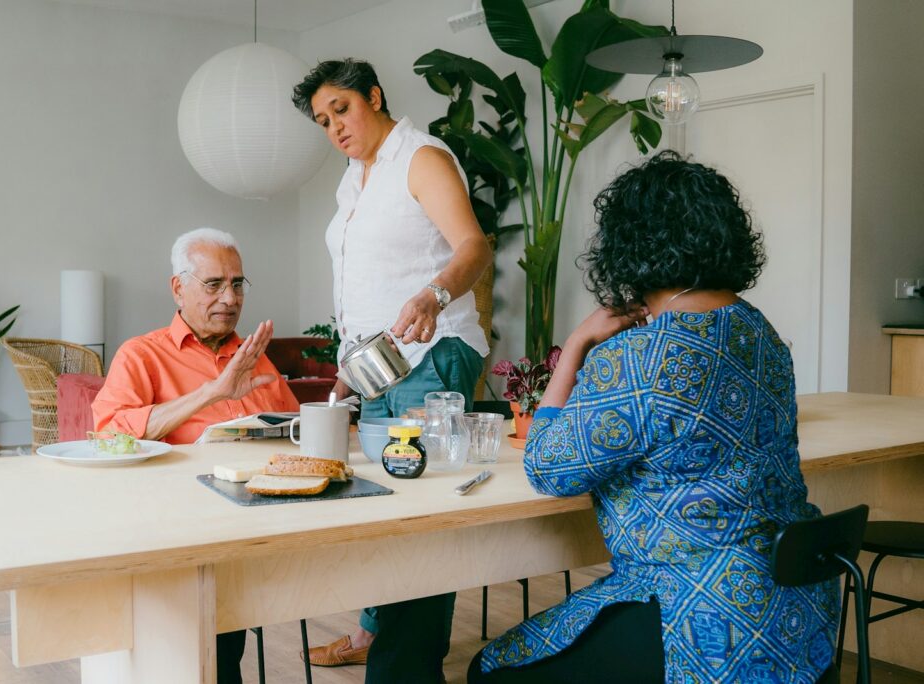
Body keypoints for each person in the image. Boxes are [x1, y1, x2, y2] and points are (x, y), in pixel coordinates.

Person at [469, 151, 838, 683]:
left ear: (631, 245)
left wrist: (576, 344)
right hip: (797, 614)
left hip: (697, 622)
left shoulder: (640, 357)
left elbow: (548, 468)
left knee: (488, 669)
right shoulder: (760, 330)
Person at [291, 59, 491, 683]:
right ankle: (374, 638)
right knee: (385, 503)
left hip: (433, 352)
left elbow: (474, 247)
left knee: (419, 512)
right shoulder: (354, 181)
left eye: (342, 110)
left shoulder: (421, 157)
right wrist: (347, 378)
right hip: (379, 365)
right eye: (323, 121)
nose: (335, 127)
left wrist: (433, 295)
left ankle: (406, 670)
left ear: (373, 96)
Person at [92, 226, 299, 684]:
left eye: (238, 284)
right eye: (214, 285)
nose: (230, 298)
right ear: (178, 288)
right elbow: (108, 431)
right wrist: (212, 394)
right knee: (210, 640)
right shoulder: (142, 355)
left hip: (261, 527)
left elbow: (293, 428)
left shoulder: (254, 359)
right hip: (179, 535)